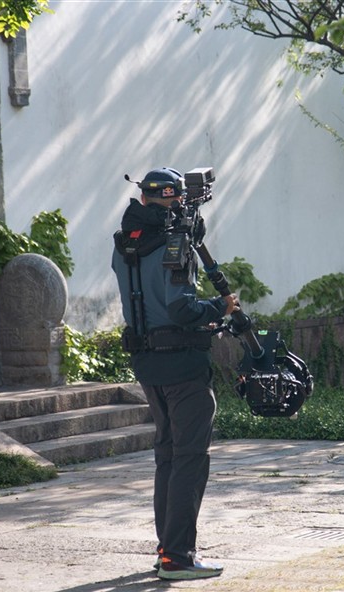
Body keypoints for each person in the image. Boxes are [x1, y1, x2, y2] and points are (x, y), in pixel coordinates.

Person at [112, 167, 239, 581]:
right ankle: (178, 557)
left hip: (148, 364)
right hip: (182, 364)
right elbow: (182, 308)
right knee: (189, 458)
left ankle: (167, 548)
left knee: (167, 456)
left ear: (145, 199)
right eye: (180, 199)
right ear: (174, 199)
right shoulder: (174, 243)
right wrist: (222, 309)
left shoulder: (125, 243)